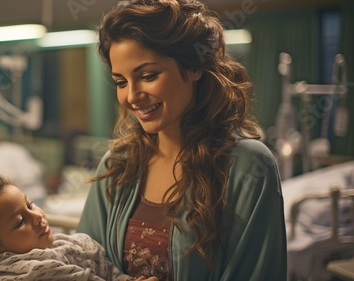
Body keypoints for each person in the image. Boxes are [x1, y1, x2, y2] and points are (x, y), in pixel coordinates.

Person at [76, 0, 287, 280]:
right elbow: (83, 263)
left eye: (148, 76)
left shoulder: (248, 168)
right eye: (121, 82)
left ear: (193, 68)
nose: (132, 96)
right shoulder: (116, 166)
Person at [0, 173, 159, 281]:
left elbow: (104, 267)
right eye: (20, 222)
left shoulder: (57, 247)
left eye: (29, 205)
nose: (37, 217)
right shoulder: (29, 272)